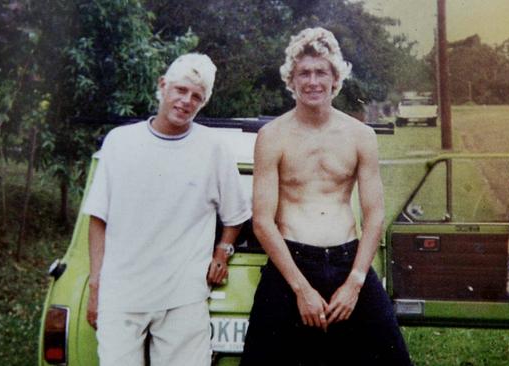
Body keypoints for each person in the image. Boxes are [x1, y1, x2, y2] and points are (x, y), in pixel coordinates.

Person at [240, 27, 412, 365]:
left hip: (348, 261)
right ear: (291, 80)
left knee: (392, 359)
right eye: (304, 73)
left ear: (336, 77)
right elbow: (262, 222)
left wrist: (356, 282)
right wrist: (301, 289)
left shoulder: (360, 136)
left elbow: (374, 214)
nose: (313, 81)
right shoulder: (272, 137)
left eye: (322, 72)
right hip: (291, 264)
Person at [83, 53, 251, 366]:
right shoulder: (120, 142)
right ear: (163, 86)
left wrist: (222, 252)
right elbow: (98, 219)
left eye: (197, 97)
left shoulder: (214, 149)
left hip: (183, 299)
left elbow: (236, 215)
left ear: (203, 103)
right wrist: (97, 285)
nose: (186, 101)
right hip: (122, 295)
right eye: (181, 90)